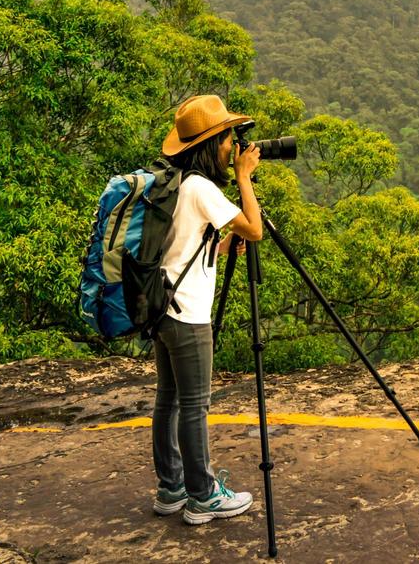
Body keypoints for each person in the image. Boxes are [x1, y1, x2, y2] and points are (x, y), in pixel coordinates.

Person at [149, 93, 264, 525]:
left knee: (169, 401)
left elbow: (193, 241)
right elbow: (254, 230)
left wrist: (221, 234)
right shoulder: (201, 188)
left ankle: (171, 488)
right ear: (212, 143)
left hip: (162, 308)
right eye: (228, 137)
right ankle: (203, 496)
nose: (233, 145)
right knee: (194, 406)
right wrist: (245, 178)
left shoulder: (173, 180)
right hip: (189, 315)